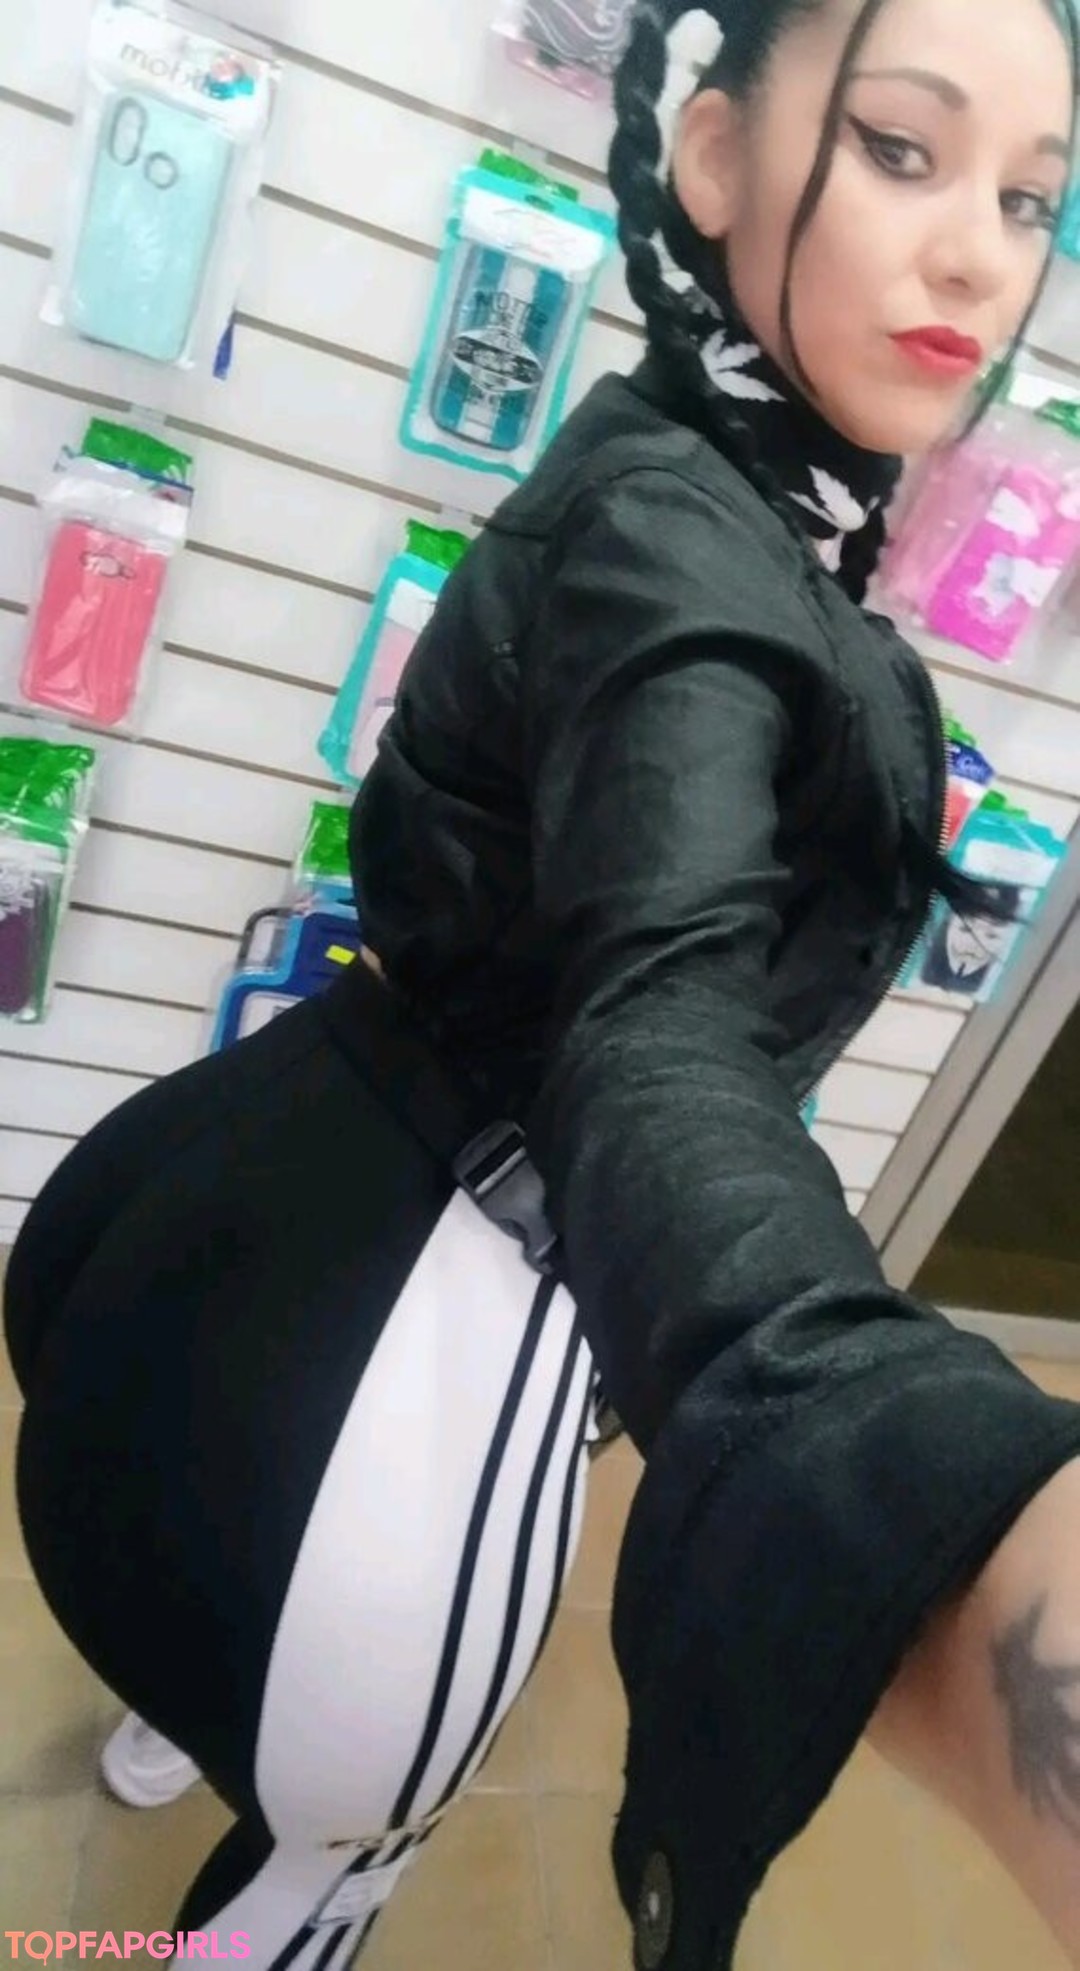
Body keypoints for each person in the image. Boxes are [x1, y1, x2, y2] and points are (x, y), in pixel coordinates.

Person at [6, 0, 1080, 1964]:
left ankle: (197, 1698)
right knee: (309, 1889)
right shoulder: (699, 558)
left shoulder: (669, 450)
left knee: (240, 1679)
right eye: (902, 151)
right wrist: (886, 1460)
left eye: (1030, 198)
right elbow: (656, 1021)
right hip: (415, 1385)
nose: (975, 259)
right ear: (714, 157)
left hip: (216, 1208)